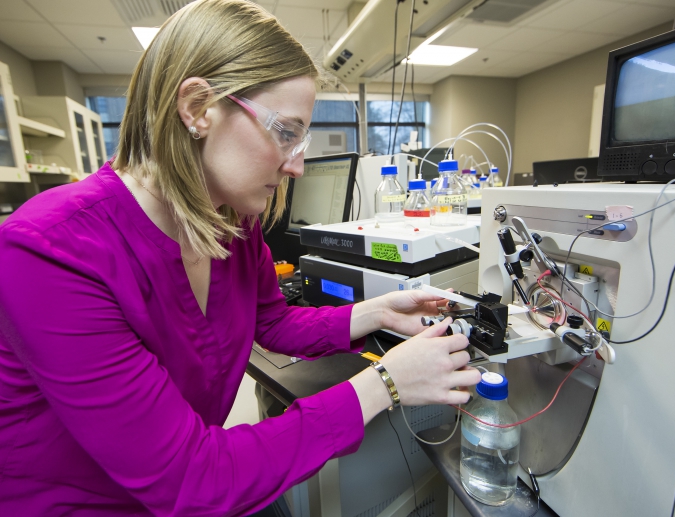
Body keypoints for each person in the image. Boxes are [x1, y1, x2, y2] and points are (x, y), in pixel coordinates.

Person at [0, 1, 481, 515]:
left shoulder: (229, 222)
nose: (297, 165)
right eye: (286, 132)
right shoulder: (47, 252)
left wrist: (378, 311)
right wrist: (385, 383)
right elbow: (190, 478)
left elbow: (270, 320)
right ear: (197, 107)